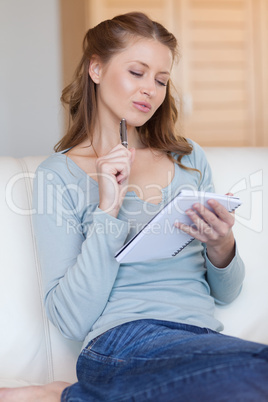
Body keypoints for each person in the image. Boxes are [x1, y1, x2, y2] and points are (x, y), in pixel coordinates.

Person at [1, 11, 268, 402]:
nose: (151, 91)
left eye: (161, 80)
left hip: (199, 337)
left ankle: (75, 397)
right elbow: (71, 319)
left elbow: (226, 294)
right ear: (96, 68)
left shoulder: (188, 158)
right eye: (137, 72)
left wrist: (221, 244)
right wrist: (107, 208)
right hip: (121, 344)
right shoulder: (57, 175)